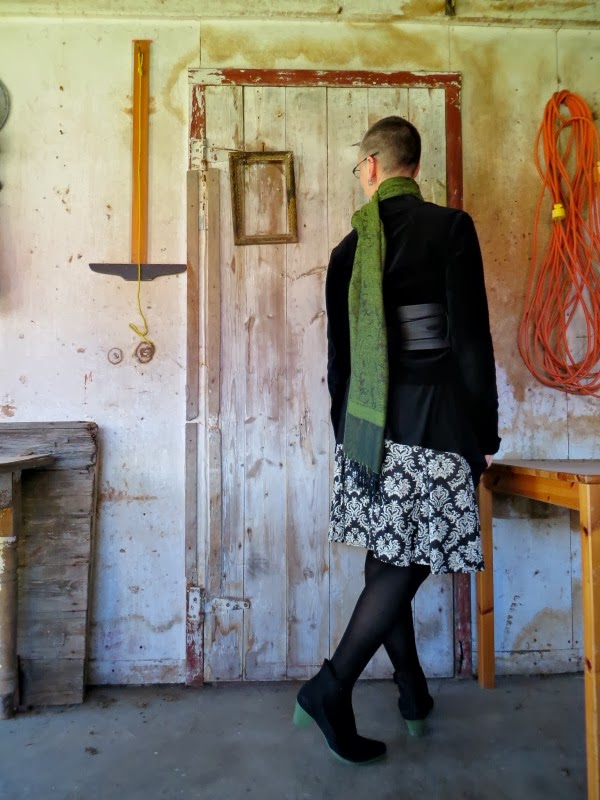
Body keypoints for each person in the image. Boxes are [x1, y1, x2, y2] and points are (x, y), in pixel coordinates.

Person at [293, 116, 501, 764]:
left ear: (374, 165)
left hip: (369, 426)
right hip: (434, 415)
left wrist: (346, 437)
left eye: (361, 166)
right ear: (414, 165)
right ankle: (332, 686)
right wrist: (484, 428)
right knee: (407, 557)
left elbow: (340, 358)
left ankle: (412, 692)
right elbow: (470, 340)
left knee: (390, 555)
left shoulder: (349, 249)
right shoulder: (450, 229)